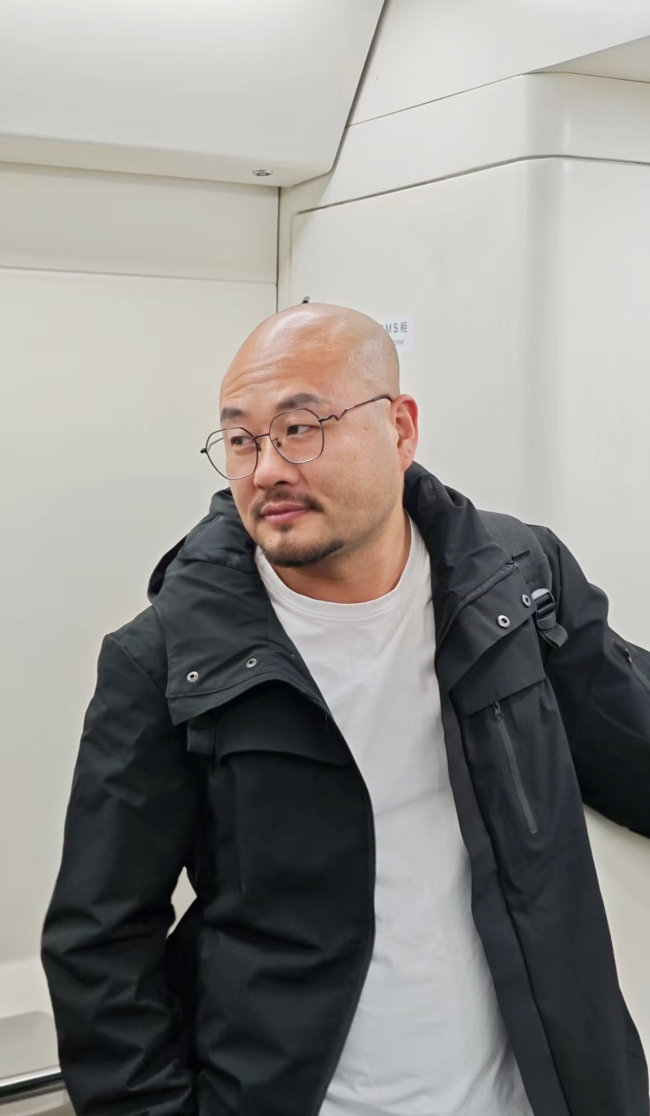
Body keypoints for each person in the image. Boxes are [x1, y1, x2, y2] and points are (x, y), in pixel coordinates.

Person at [42, 304, 650, 1116]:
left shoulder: (514, 584)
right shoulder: (165, 657)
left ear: (400, 429)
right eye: (242, 439)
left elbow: (632, 747)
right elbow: (100, 945)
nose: (266, 469)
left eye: (300, 428)